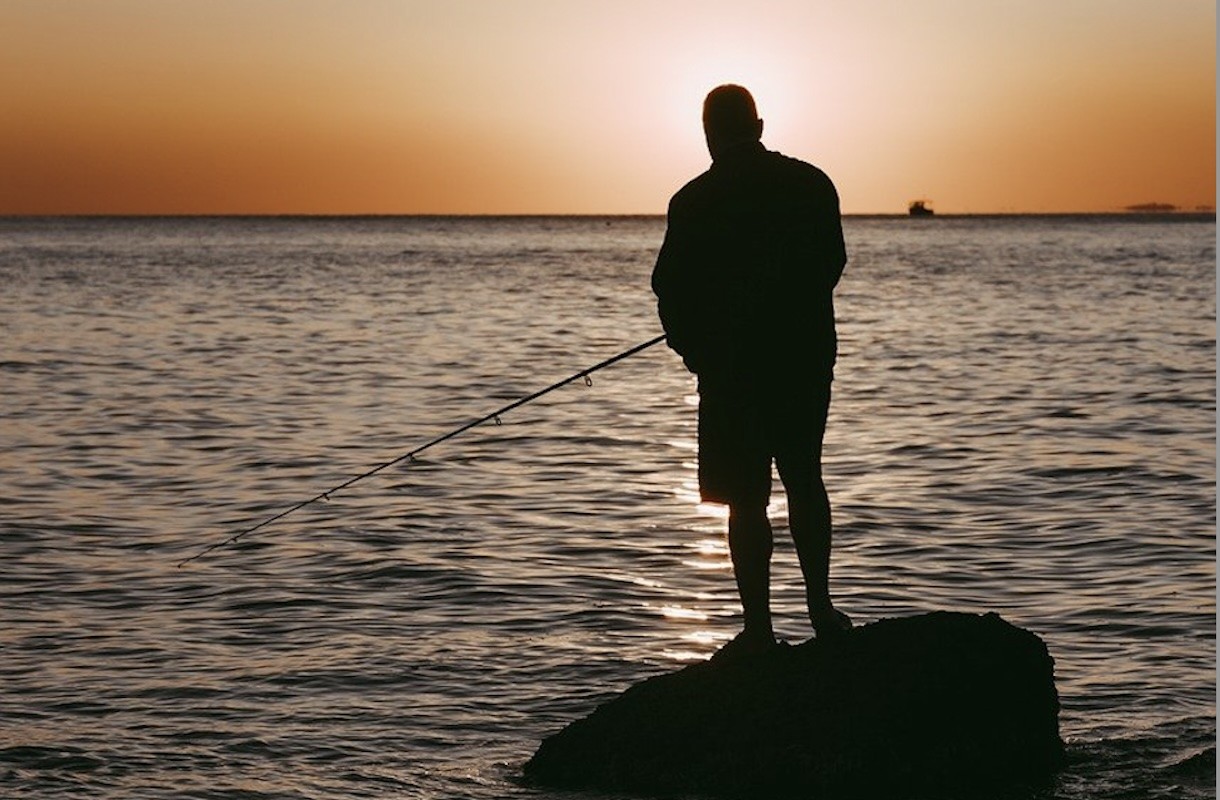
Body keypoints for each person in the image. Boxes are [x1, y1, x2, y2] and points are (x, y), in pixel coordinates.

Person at [651, 84, 851, 653]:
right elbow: (830, 264)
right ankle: (821, 609)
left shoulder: (692, 201)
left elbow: (669, 290)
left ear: (708, 134)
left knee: (745, 498)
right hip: (803, 359)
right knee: (804, 479)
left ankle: (759, 629)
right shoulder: (811, 184)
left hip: (731, 371)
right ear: (759, 127)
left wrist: (697, 350)